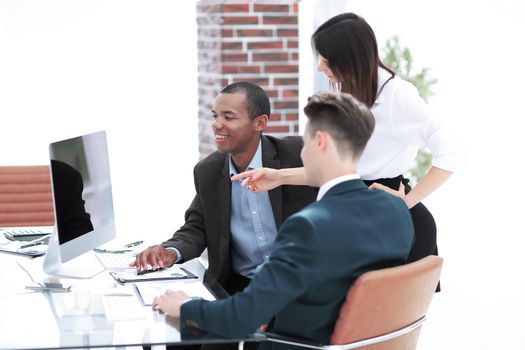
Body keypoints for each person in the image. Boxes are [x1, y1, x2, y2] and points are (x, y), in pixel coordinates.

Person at [152, 91, 414, 348]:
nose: (301, 151)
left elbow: (239, 319)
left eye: (307, 140)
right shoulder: (395, 209)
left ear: (319, 142)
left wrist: (184, 306)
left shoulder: (307, 227)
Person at [232, 13, 465, 273]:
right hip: (358, 214)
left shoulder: (397, 96)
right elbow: (344, 171)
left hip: (391, 222)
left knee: (387, 309)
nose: (320, 67)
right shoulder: (346, 92)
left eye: (327, 60)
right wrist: (279, 175)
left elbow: (452, 151)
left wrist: (407, 201)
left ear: (351, 60)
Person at [131, 82, 317, 294]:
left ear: (260, 123)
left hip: (303, 284)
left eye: (228, 117)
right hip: (242, 288)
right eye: (214, 116)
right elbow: (197, 227)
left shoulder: (297, 155)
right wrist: (170, 251)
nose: (217, 124)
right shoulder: (208, 171)